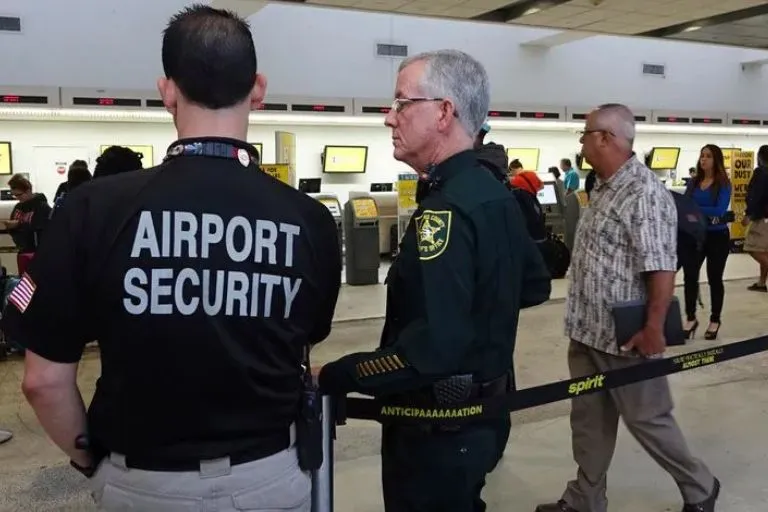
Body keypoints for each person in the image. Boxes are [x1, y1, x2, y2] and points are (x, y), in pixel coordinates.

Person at [3, 5, 341, 511]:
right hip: (269, 478)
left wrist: (88, 460)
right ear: (258, 88)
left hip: (141, 484)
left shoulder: (93, 209)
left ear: (166, 92)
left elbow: (43, 381)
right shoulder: (309, 219)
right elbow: (306, 338)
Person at [318, 49, 551, 511]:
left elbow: (433, 348)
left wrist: (339, 374)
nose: (390, 118)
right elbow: (534, 284)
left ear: (444, 112)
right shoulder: (493, 191)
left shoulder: (444, 210)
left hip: (435, 426)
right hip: (484, 416)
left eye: (402, 103)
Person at [535, 104, 719, 512]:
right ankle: (585, 497)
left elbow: (660, 266)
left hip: (626, 336)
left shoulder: (643, 192)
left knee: (648, 419)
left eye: (585, 135)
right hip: (587, 330)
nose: (581, 142)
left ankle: (700, 486)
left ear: (607, 138)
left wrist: (654, 326)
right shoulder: (602, 186)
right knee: (589, 421)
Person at [680, 144, 732, 340]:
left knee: (714, 278)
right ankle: (691, 317)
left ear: (716, 160)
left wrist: (696, 209)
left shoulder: (723, 184)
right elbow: (685, 206)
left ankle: (715, 319)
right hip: (696, 235)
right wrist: (699, 210)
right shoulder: (693, 183)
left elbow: (719, 211)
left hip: (717, 237)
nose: (704, 160)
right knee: (690, 275)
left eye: (708, 156)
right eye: (702, 156)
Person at [2, 174, 52, 276]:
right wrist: (11, 227)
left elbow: (40, 229)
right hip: (22, 252)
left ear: (28, 190)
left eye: (19, 195)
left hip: (38, 254)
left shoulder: (42, 207)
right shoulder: (18, 207)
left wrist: (18, 225)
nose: (17, 198)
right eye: (15, 195)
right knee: (24, 286)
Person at [743, 144, 768, 292]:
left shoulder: (761, 172)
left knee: (752, 248)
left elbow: (755, 196)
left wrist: (748, 214)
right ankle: (761, 283)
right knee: (765, 251)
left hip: (762, 218)